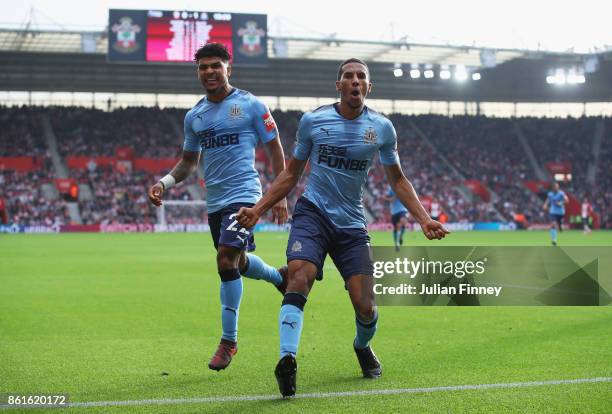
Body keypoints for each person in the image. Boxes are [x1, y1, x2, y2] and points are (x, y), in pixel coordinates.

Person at [236, 58, 449, 397]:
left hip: (351, 223)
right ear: (338, 85)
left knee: (364, 304)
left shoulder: (382, 128)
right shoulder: (314, 121)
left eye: (360, 76)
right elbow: (291, 173)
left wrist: (423, 219)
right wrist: (260, 208)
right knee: (299, 275)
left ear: (368, 86)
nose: (354, 81)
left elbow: (398, 179)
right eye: (348, 76)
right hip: (313, 213)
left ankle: (362, 347)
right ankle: (287, 360)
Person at [147, 43, 288, 372]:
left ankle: (229, 341)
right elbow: (188, 163)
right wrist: (164, 183)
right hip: (216, 203)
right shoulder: (194, 116)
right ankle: (277, 277)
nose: (209, 71)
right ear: (197, 72)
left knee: (224, 257)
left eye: (215, 65)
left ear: (229, 68)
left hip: (245, 196)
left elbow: (275, 148)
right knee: (235, 263)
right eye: (203, 67)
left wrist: (280, 193)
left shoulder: (250, 105)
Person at [384, 185, 408, 251]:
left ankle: (400, 236)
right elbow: (384, 197)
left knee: (402, 223)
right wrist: (391, 199)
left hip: (402, 209)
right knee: (396, 228)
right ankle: (396, 244)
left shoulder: (403, 185)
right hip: (394, 212)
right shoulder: (390, 188)